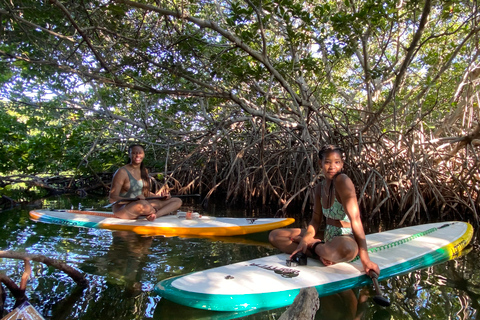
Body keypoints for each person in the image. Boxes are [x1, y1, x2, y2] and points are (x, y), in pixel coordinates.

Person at [269, 145, 380, 276]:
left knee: (347, 250)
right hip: (327, 237)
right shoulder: (319, 189)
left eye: (337, 162)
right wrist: (305, 239)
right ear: (320, 163)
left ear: (342, 164)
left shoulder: (343, 181)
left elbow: (355, 219)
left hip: (345, 237)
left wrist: (365, 260)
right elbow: (315, 220)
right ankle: (321, 253)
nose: (332, 166)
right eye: (327, 162)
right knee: (275, 236)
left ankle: (315, 247)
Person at [109, 144, 182, 221]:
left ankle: (155, 215)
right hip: (123, 208)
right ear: (129, 155)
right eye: (134, 153)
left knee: (177, 201)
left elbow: (146, 194)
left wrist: (161, 197)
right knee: (143, 205)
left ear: (143, 154)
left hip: (143, 203)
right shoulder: (122, 172)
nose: (137, 155)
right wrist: (132, 199)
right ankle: (155, 211)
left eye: (140, 153)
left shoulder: (144, 171)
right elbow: (112, 198)